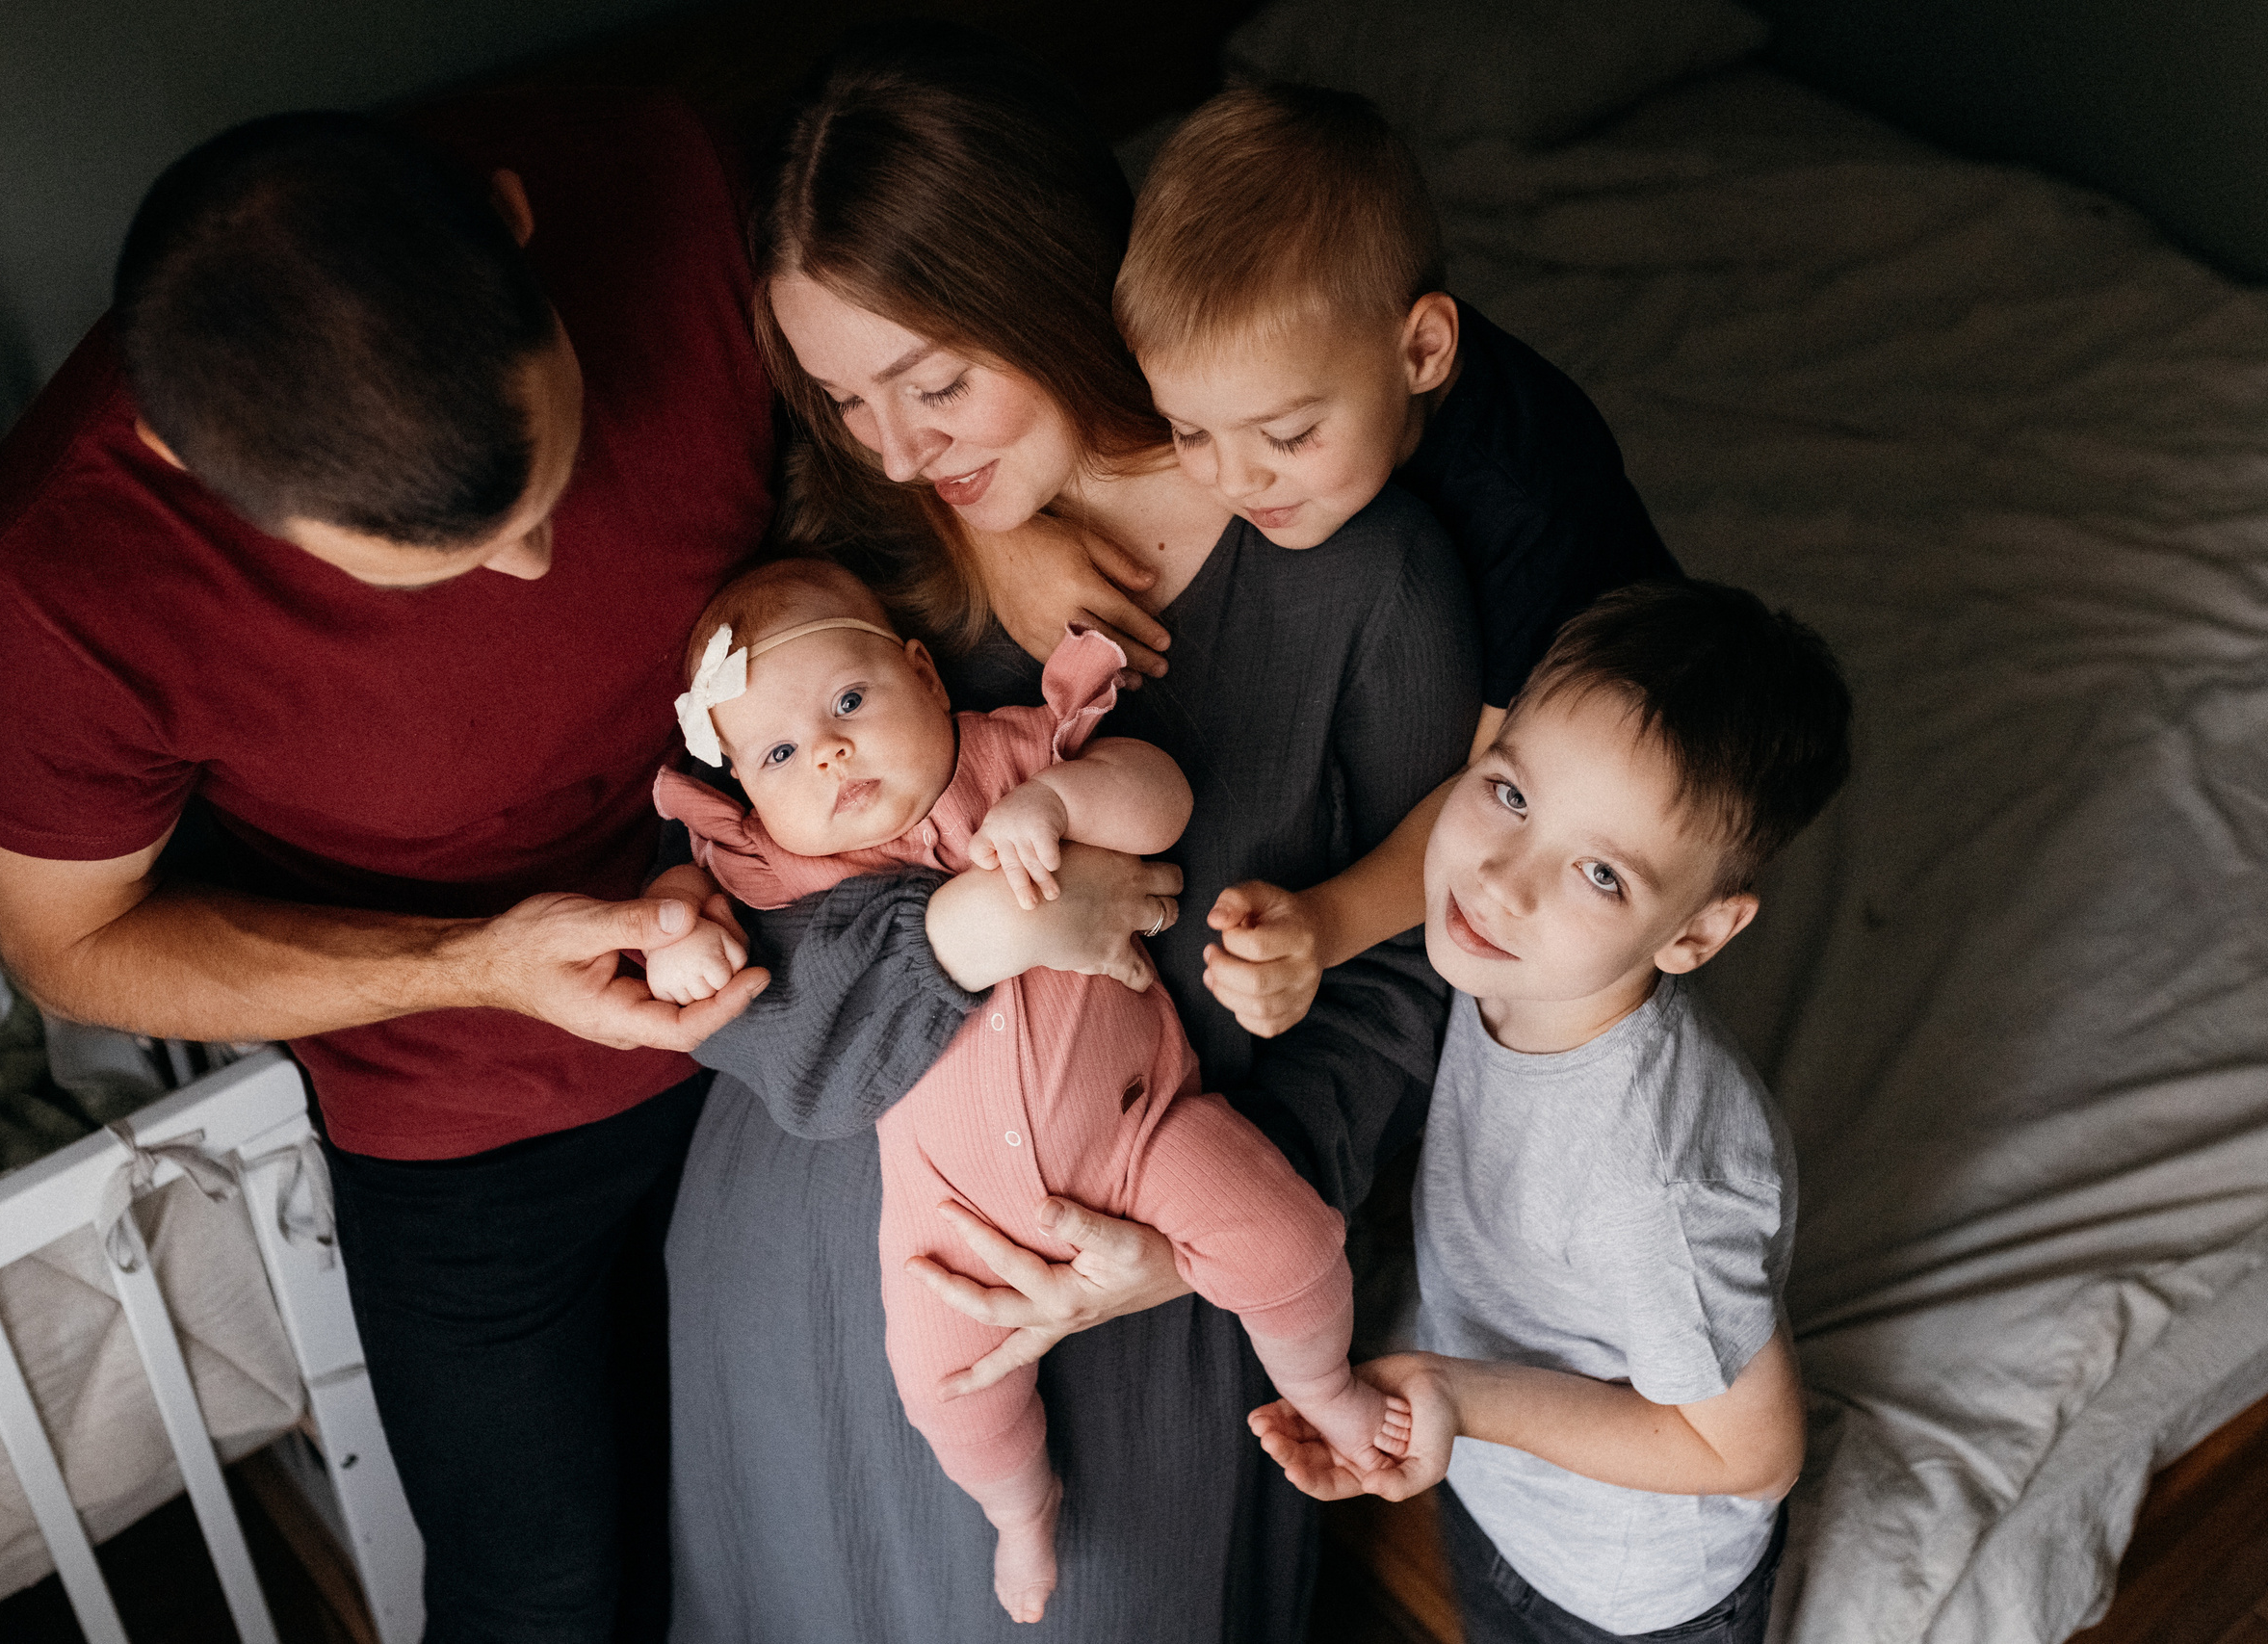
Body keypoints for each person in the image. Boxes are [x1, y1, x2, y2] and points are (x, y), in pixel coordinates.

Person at [665, 25, 1475, 1643]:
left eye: (935, 381)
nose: (899, 447)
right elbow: (743, 913)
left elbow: (1408, 977)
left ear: (1051, 284)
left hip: (1144, 1247)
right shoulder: (866, 558)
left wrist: (1184, 1254)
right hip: (823, 1231)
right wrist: (993, 540)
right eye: (845, 399)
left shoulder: (1362, 576)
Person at [0, 99, 774, 1641]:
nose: (530, 568)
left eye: (548, 488)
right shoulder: (48, 576)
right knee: (544, 1583)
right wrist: (476, 966)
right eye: (449, 558)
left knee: (809, 1483)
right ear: (186, 462)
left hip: (809, 979)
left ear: (515, 221)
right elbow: (73, 943)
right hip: (465, 1104)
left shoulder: (680, 187)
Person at [649, 559, 1406, 1623]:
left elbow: (1161, 799)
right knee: (943, 1386)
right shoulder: (787, 863)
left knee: (1289, 1240)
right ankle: (1019, 1507)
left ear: (918, 670)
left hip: (1147, 1134)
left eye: (850, 703)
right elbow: (702, 905)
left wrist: (1058, 800)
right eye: (777, 753)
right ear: (748, 795)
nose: (827, 751)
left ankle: (1321, 1386)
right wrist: (682, 930)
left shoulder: (1007, 753)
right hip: (945, 1214)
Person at [970, 83, 1687, 1043]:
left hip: (1614, 714)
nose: (1232, 477)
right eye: (1190, 432)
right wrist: (998, 536)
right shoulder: (1259, 379)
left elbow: (1491, 809)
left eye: (1290, 434)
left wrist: (1329, 923)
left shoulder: (1533, 499)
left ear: (1422, 350)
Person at [1252, 580, 1852, 1644]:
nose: (1500, 880)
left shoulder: (1652, 1183)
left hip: (1628, 1591)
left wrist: (1462, 1396)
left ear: (1699, 936)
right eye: (1510, 795)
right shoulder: (1518, 969)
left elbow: (1748, 1455)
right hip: (1502, 1494)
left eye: (1599, 874)